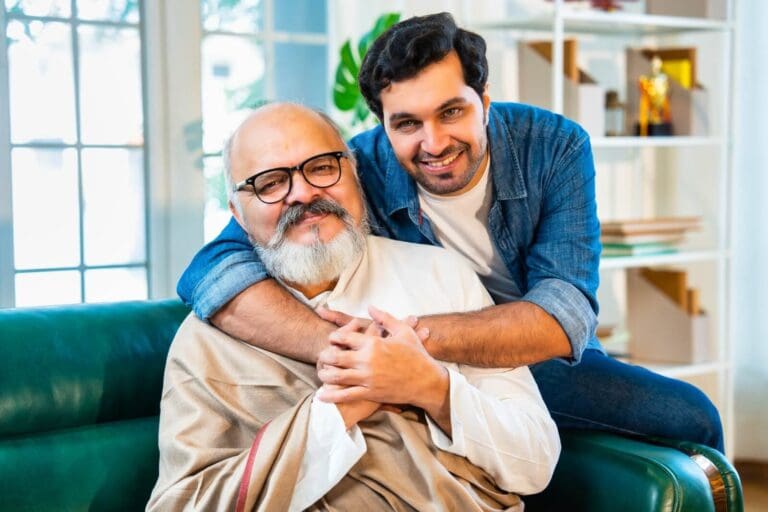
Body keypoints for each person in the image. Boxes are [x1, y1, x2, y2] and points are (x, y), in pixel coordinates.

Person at [178, 12, 724, 452]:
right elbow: (213, 268)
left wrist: (404, 342)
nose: (433, 142)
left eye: (452, 112)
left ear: (484, 100)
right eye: (407, 124)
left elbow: (564, 315)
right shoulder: (353, 168)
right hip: (416, 368)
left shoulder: (554, 146)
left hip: (525, 355)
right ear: (382, 124)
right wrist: (349, 352)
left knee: (693, 416)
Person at [147, 103, 560, 511]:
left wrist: (431, 388)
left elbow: (536, 462)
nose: (304, 193)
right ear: (236, 213)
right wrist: (342, 406)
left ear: (355, 173)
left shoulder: (442, 275)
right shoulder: (206, 343)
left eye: (323, 166)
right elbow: (183, 505)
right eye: (270, 183)